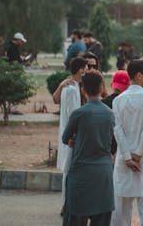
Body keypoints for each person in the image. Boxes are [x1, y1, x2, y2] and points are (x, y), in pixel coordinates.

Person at [111, 60, 143, 226]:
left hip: (125, 160)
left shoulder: (118, 100)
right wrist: (138, 155)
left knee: (120, 209)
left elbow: (118, 131)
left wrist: (128, 157)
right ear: (139, 75)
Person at [61, 70, 115, 226]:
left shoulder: (79, 113)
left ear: (83, 89)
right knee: (102, 219)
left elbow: (65, 138)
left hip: (81, 173)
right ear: (101, 88)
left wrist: (75, 141)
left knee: (76, 218)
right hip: (103, 173)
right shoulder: (110, 113)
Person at [57, 57, 88, 210]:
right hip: (70, 138)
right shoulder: (70, 89)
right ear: (81, 70)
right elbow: (73, 116)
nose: (86, 72)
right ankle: (66, 204)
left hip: (71, 136)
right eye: (86, 69)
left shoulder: (73, 87)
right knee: (68, 171)